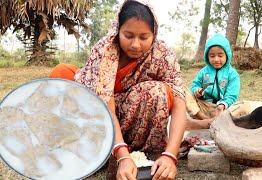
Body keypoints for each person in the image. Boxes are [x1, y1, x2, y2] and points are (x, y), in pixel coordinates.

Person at [49, 0, 186, 179]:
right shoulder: (105, 50)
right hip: (100, 117)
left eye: (144, 37)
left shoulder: (162, 55)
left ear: (154, 34)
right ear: (117, 30)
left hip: (134, 119)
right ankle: (96, 148)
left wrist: (170, 155)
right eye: (128, 36)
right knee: (62, 74)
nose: (136, 44)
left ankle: (139, 151)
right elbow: (104, 105)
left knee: (159, 92)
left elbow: (179, 102)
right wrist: (122, 155)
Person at [185, 33, 240, 130]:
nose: (216, 59)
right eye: (212, 56)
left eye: (220, 55)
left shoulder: (232, 74)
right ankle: (206, 120)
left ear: (227, 55)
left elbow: (232, 96)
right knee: (182, 91)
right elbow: (195, 85)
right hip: (204, 107)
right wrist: (197, 91)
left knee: (244, 106)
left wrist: (222, 106)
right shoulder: (204, 71)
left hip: (222, 109)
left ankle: (203, 123)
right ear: (207, 56)